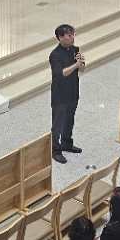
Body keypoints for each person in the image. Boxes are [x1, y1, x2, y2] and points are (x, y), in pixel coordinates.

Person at [49, 23, 86, 163]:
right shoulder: (55, 55)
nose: (72, 38)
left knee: (69, 120)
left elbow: (82, 69)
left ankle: (67, 143)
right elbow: (61, 73)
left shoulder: (75, 50)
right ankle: (55, 150)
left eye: (73, 34)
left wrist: (80, 63)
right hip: (60, 95)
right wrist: (75, 65)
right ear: (60, 37)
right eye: (69, 35)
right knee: (57, 124)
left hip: (73, 91)